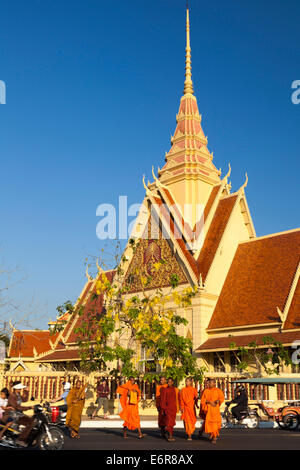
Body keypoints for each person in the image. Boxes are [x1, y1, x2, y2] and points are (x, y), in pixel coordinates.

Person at [0, 381, 34, 447]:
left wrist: (26, 391)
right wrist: (29, 407)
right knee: (30, 422)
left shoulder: (17, 395)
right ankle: (21, 440)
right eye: (19, 388)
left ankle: (23, 436)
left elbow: (24, 399)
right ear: (15, 389)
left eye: (20, 389)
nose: (20, 389)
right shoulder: (12, 396)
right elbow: (17, 407)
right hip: (12, 414)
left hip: (17, 413)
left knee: (32, 420)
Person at [200, 378, 224, 444]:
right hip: (209, 410)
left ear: (214, 384)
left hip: (215, 410)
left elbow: (221, 398)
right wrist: (209, 402)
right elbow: (203, 400)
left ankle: (213, 435)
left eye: (211, 383)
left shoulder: (218, 391)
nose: (209, 384)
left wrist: (217, 401)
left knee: (217, 425)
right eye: (209, 383)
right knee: (210, 424)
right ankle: (214, 437)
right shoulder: (206, 391)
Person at [160, 377, 179, 442]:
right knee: (169, 423)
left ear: (172, 382)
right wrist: (163, 409)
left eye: (170, 382)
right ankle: (170, 436)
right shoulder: (165, 390)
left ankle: (167, 433)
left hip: (173, 409)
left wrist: (178, 407)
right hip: (167, 408)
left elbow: (177, 399)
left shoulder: (175, 389)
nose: (169, 383)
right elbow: (163, 400)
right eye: (168, 382)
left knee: (172, 423)